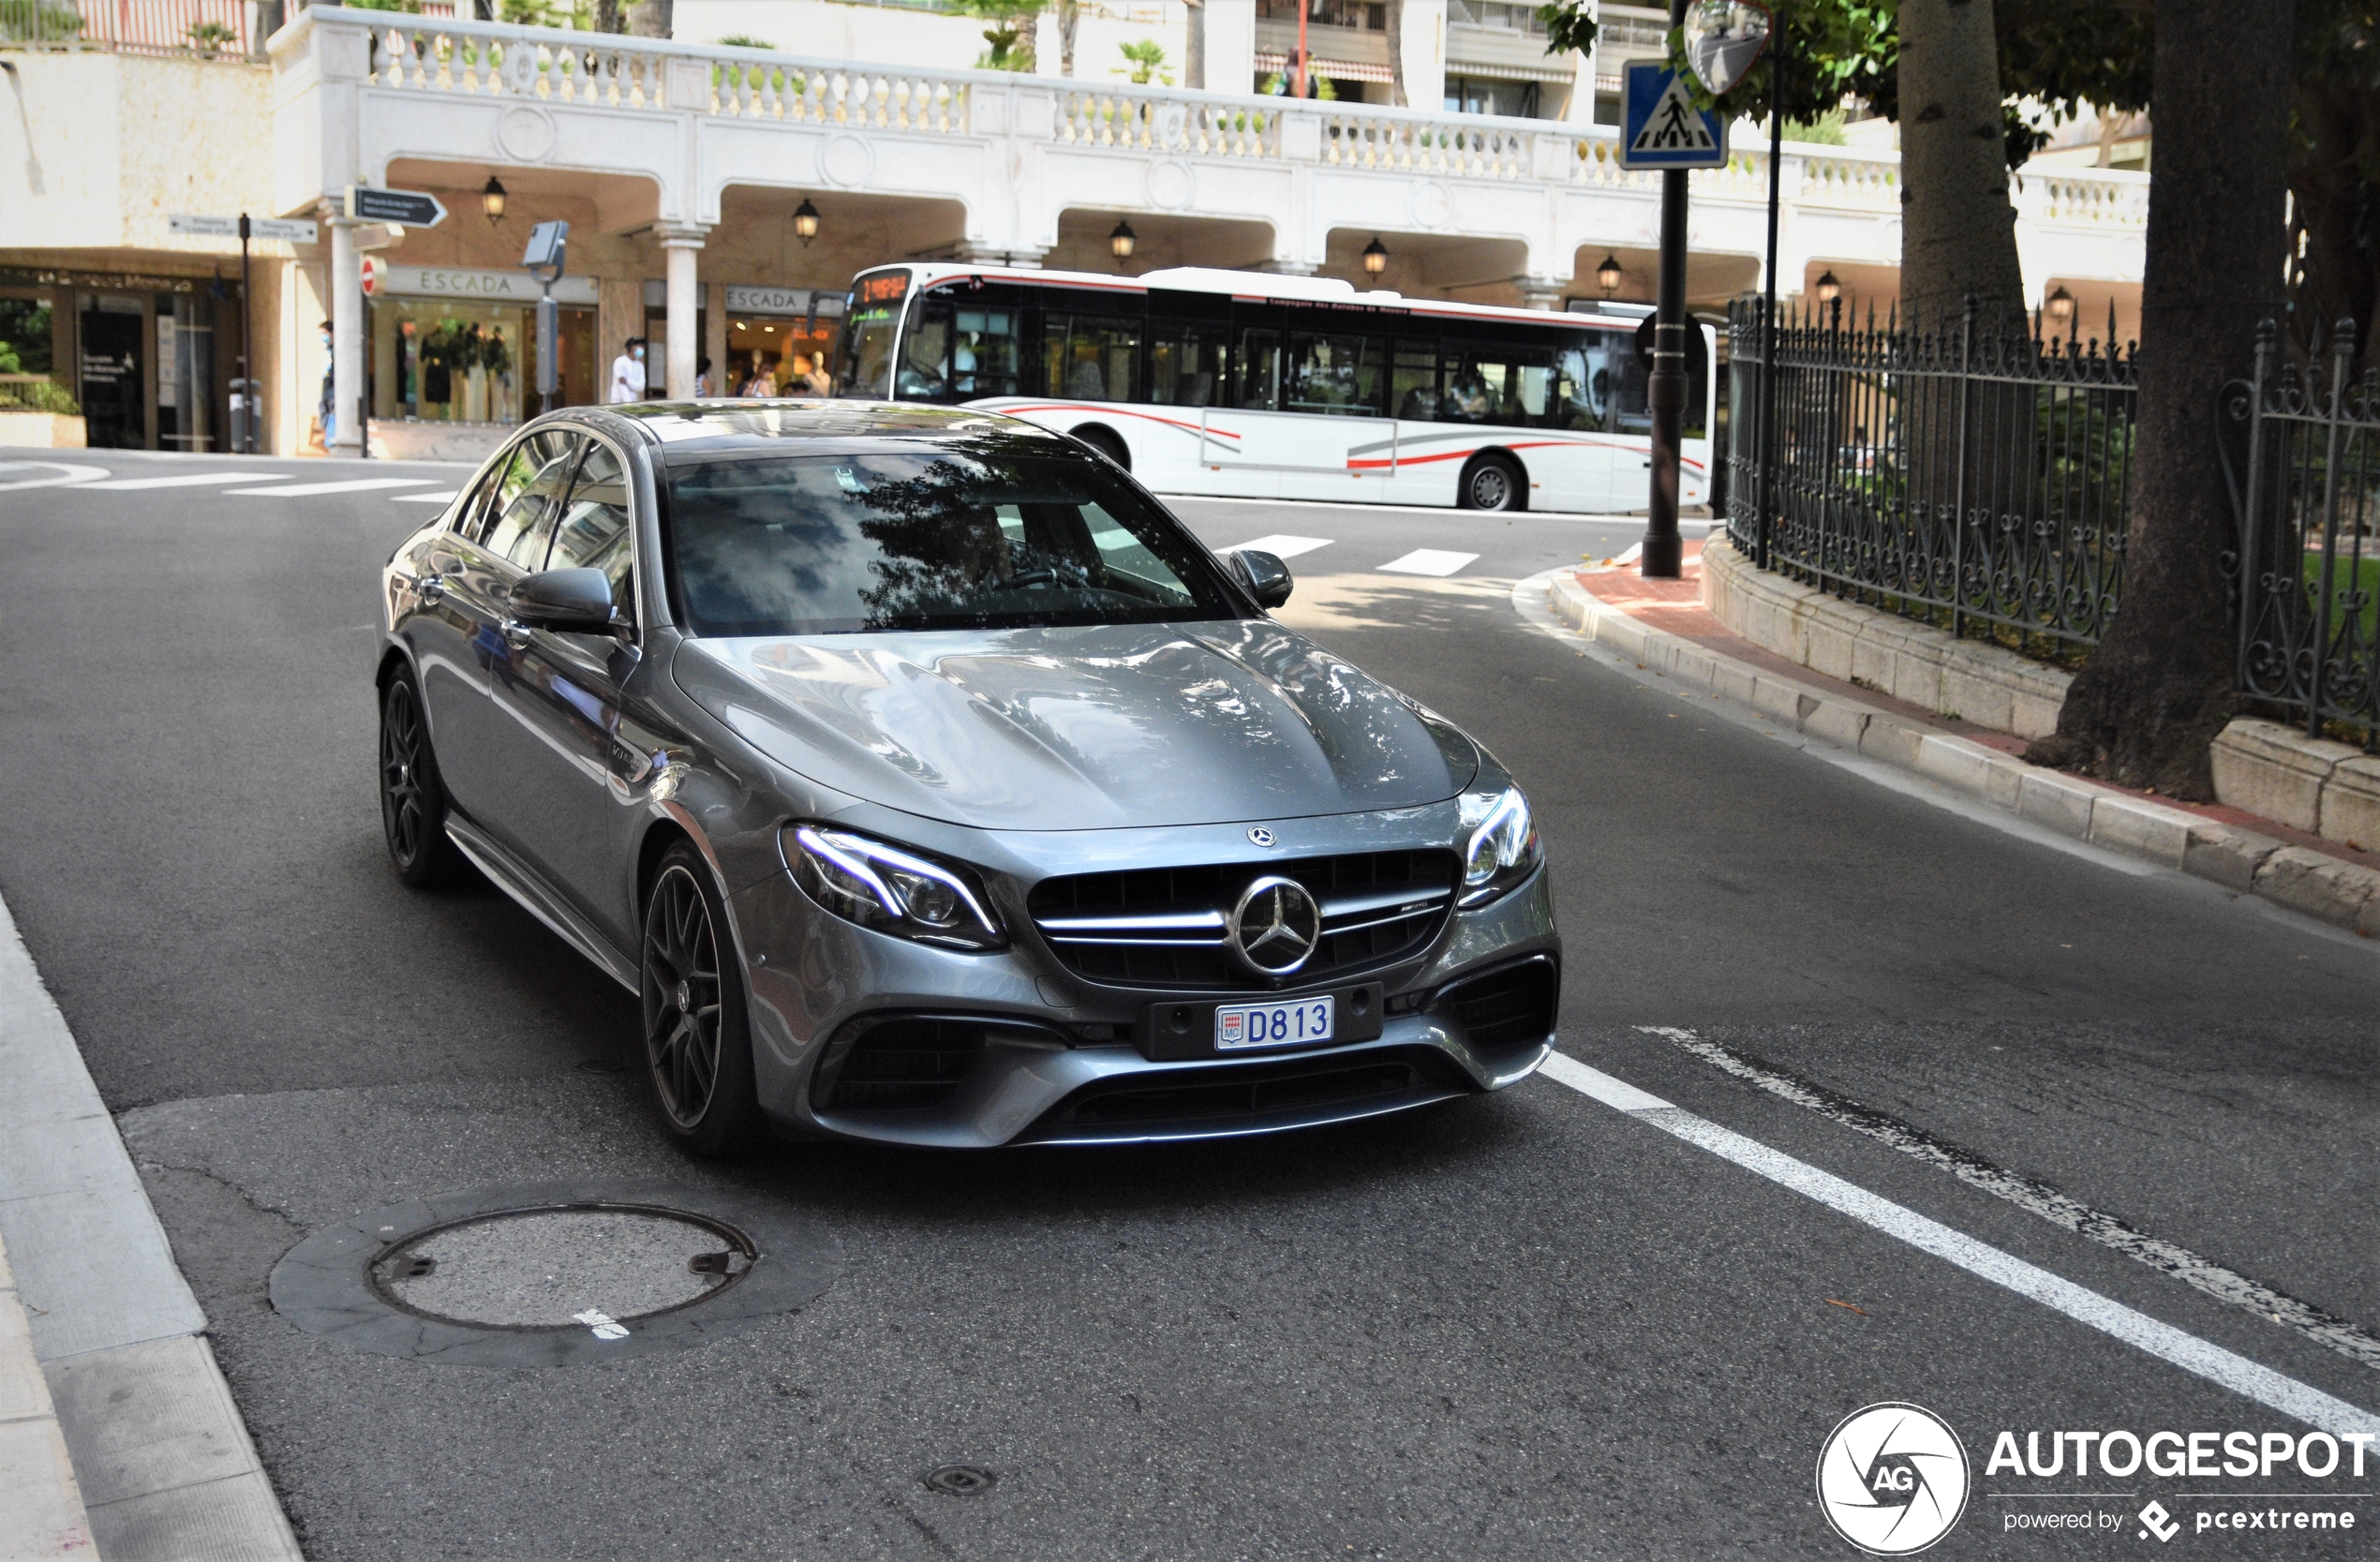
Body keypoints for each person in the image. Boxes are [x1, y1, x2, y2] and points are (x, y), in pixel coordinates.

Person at [608, 337, 645, 405]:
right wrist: (628, 403)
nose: (642, 349)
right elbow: (622, 383)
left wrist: (628, 381)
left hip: (633, 402)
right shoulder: (620, 361)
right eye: (640, 346)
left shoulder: (640, 365)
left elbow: (641, 386)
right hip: (618, 402)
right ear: (633, 347)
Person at [316, 320, 335, 449]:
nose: (322, 337)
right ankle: (328, 439)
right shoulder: (327, 350)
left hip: (334, 390)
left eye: (324, 333)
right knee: (324, 413)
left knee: (333, 415)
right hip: (327, 388)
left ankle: (332, 441)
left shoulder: (337, 351)